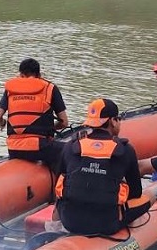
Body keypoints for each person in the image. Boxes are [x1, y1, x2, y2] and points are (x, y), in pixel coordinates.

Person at [55, 98, 150, 235]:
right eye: (118, 119)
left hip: (69, 222)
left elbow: (60, 184)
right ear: (112, 121)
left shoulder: (71, 145)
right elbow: (136, 192)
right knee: (150, 195)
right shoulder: (125, 149)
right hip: (106, 224)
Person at [0, 58, 69, 174]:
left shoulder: (11, 90)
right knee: (71, 150)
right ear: (39, 74)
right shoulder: (49, 88)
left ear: (21, 75)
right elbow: (64, 122)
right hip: (40, 148)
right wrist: (48, 128)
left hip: (14, 149)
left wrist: (3, 124)